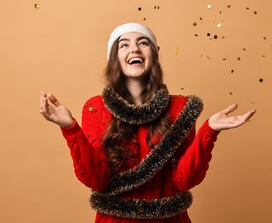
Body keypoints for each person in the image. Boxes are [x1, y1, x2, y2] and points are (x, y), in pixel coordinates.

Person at [39, 23, 256, 222]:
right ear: (115, 58)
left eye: (143, 43)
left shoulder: (181, 108)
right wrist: (69, 128)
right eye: (124, 45)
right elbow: (97, 180)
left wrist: (209, 131)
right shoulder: (96, 107)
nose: (134, 49)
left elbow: (184, 181)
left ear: (154, 53)